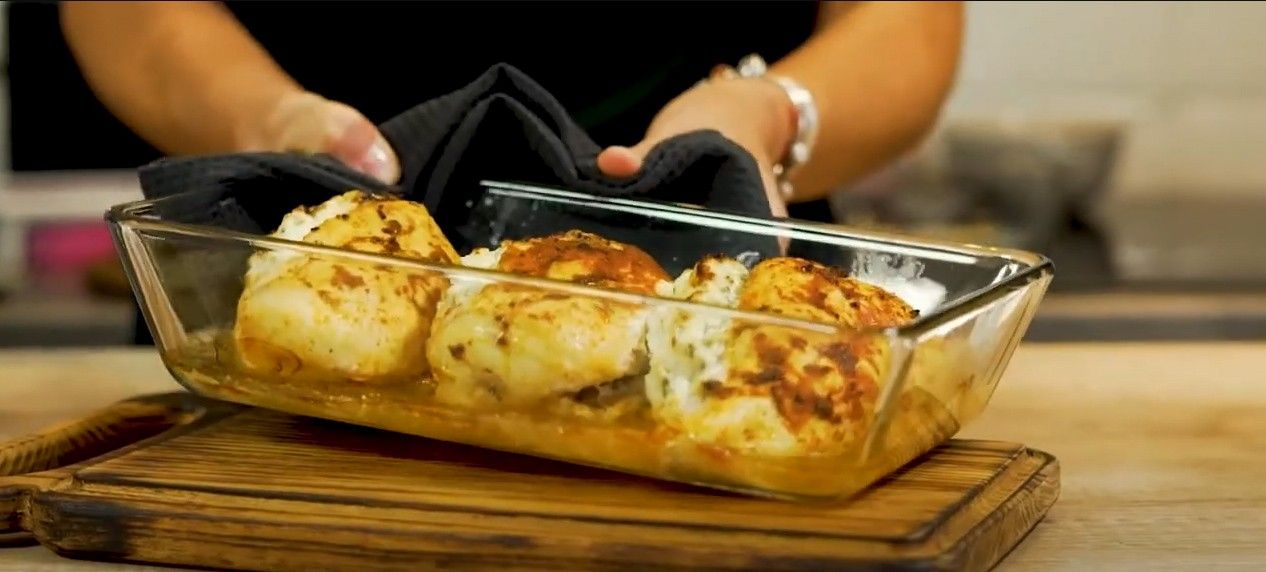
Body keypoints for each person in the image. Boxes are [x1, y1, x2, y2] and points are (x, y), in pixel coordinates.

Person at [56, 1, 963, 343]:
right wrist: (267, 125)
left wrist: (769, 114)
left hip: (745, 306)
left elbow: (911, 21)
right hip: (296, 271)